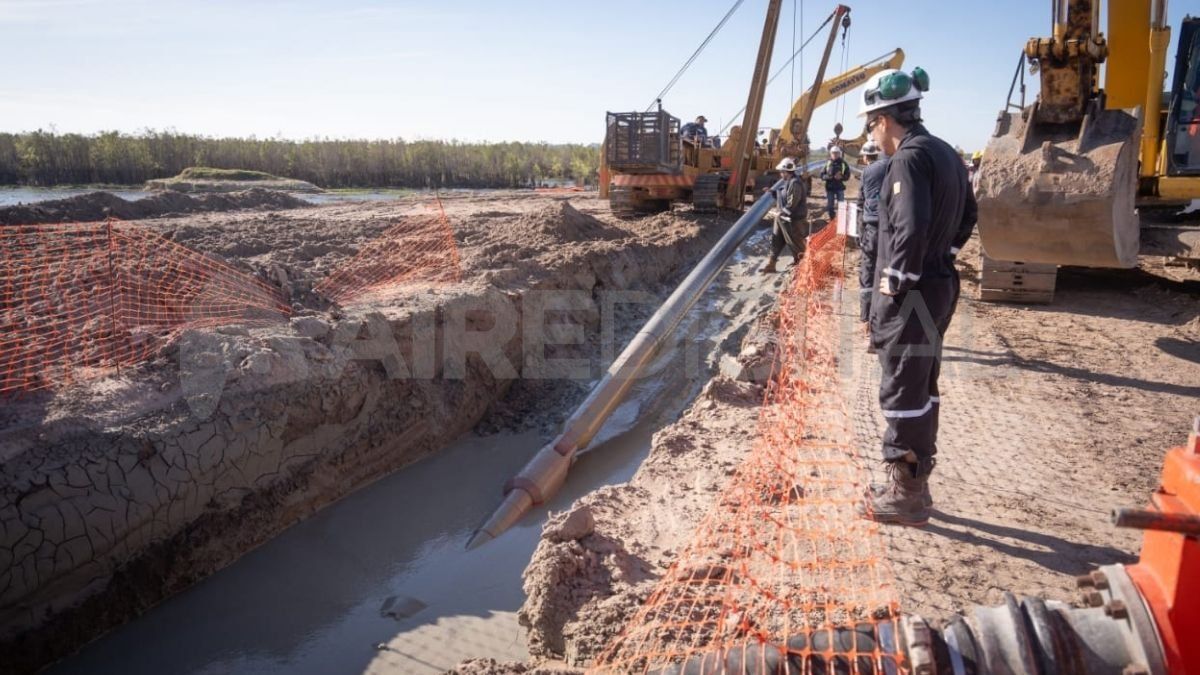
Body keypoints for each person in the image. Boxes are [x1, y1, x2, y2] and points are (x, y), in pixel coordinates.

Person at [856, 67, 977, 527]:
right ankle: (913, 479)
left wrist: (898, 276)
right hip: (939, 285)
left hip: (912, 294)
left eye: (871, 125)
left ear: (885, 118)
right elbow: (969, 213)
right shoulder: (946, 152)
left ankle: (906, 495)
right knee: (922, 382)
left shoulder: (907, 158)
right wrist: (943, 255)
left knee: (903, 383)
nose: (874, 136)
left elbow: (909, 223)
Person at [855, 141, 888, 337]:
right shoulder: (896, 166)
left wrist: (861, 233)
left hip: (873, 228)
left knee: (868, 271)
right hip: (893, 229)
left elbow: (861, 203)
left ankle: (866, 321)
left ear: (866, 157)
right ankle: (885, 322)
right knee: (888, 273)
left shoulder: (868, 172)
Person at [762, 157, 807, 274]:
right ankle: (771, 264)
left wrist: (782, 212)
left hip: (793, 220)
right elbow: (783, 196)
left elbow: (792, 203)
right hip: (783, 219)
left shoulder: (795, 183)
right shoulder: (788, 182)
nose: (780, 174)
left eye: (782, 172)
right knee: (776, 240)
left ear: (787, 171)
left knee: (795, 243)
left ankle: (802, 267)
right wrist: (772, 192)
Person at [819, 146, 851, 220]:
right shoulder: (827, 163)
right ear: (831, 154)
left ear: (839, 154)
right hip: (830, 188)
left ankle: (841, 221)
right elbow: (821, 175)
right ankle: (832, 220)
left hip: (839, 188)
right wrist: (830, 177)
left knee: (842, 206)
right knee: (830, 206)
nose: (835, 155)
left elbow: (848, 176)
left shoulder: (843, 164)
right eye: (833, 153)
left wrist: (841, 177)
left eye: (836, 153)